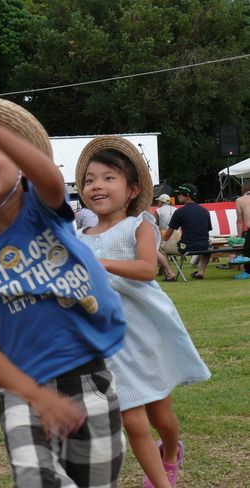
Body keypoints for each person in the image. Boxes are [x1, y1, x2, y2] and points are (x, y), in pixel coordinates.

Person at [0, 91, 127, 487]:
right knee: (36, 481)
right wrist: (33, 393)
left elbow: (48, 176)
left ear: (20, 165)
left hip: (91, 380)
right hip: (23, 390)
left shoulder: (42, 209)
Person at [75, 137, 211, 488]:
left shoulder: (139, 226)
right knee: (133, 422)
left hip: (143, 333)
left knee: (162, 417)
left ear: (133, 189)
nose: (97, 186)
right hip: (105, 340)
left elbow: (147, 269)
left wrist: (99, 263)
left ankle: (170, 452)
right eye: (90, 180)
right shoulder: (80, 235)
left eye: (108, 178)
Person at [158, 183, 212, 281]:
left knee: (158, 247)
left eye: (180, 194)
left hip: (186, 247)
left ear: (187, 195)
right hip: (204, 246)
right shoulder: (205, 211)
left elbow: (167, 236)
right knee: (207, 248)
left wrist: (162, 240)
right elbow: (206, 231)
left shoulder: (180, 212)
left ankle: (170, 273)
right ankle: (200, 272)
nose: (178, 196)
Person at [230, 182, 250, 279]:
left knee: (247, 253)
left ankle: (248, 272)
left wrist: (239, 237)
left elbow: (240, 222)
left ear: (243, 189)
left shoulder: (240, 200)